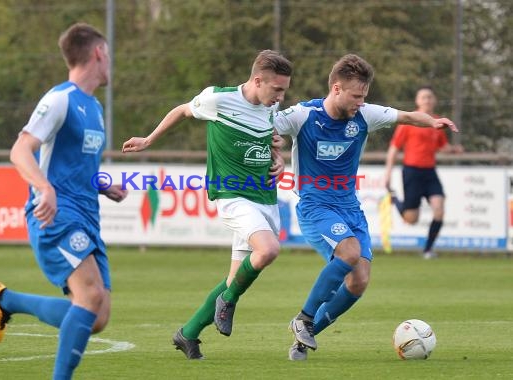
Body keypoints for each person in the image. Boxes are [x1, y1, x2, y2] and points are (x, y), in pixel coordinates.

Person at [273, 54, 458, 360]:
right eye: (356, 96)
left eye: (364, 96)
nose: (361, 102)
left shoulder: (365, 115)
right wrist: (273, 151)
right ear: (336, 88)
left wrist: (434, 123)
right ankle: (303, 318)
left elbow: (409, 116)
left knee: (359, 281)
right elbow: (264, 125)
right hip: (315, 205)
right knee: (349, 253)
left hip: (349, 207)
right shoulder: (304, 115)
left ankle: (304, 339)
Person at [122, 50, 292, 359]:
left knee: (234, 278)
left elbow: (269, 139)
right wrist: (149, 139)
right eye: (277, 89)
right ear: (257, 81)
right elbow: (183, 110)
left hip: (264, 197)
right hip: (232, 196)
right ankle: (227, 301)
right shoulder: (217, 99)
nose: (281, 96)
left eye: (283, 90)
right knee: (267, 250)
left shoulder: (270, 107)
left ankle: (187, 334)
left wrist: (279, 158)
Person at [0, 23, 128, 379]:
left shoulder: (93, 107)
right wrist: (44, 188)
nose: (110, 61)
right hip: (56, 216)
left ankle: (7, 301)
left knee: (96, 317)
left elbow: (74, 166)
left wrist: (103, 185)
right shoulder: (59, 98)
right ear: (97, 53)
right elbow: (20, 150)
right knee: (91, 296)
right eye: (108, 54)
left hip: (86, 217)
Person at [384, 86, 463, 259]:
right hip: (412, 171)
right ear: (417, 101)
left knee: (439, 209)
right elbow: (394, 148)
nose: (427, 100)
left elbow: (442, 147)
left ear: (434, 101)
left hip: (430, 172)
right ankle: (395, 199)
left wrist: (454, 150)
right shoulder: (409, 121)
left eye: (430, 97)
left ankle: (427, 250)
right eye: (423, 97)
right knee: (411, 219)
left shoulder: (438, 122)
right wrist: (388, 173)